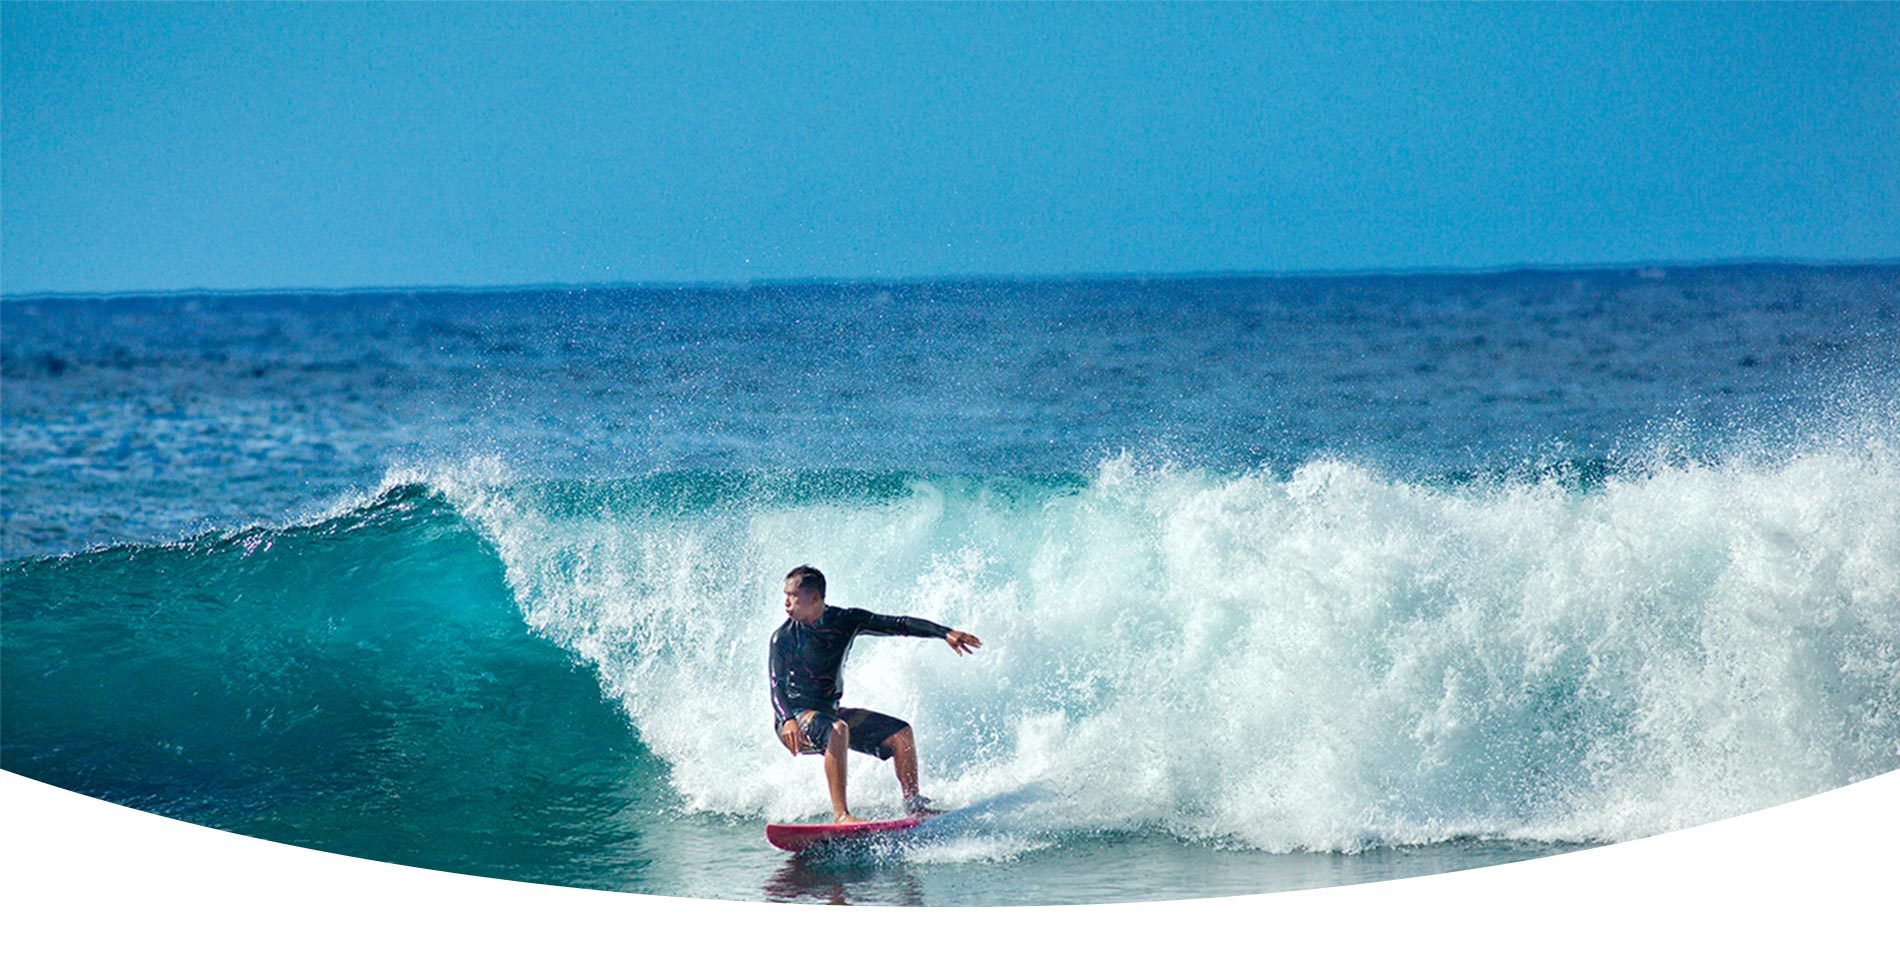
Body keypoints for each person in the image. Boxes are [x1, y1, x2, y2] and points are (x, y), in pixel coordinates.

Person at [769, 565, 981, 823]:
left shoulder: (845, 621)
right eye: (785, 595)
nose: (786, 602)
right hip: (795, 720)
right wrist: (787, 718)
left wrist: (944, 632)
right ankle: (842, 815)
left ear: (814, 598)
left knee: (901, 735)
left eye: (793, 595)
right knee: (837, 729)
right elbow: (776, 685)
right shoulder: (784, 637)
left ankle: (914, 806)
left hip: (829, 714)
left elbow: (897, 624)